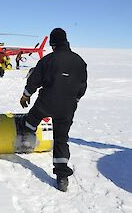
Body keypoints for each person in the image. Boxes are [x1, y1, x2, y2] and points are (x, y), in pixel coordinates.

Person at [20, 28, 87, 192]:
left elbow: (34, 80)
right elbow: (82, 86)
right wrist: (74, 101)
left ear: (52, 43)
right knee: (61, 139)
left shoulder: (48, 60)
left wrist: (25, 95)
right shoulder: (80, 61)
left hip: (46, 103)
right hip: (67, 108)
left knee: (31, 119)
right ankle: (62, 177)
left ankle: (27, 138)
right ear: (66, 41)